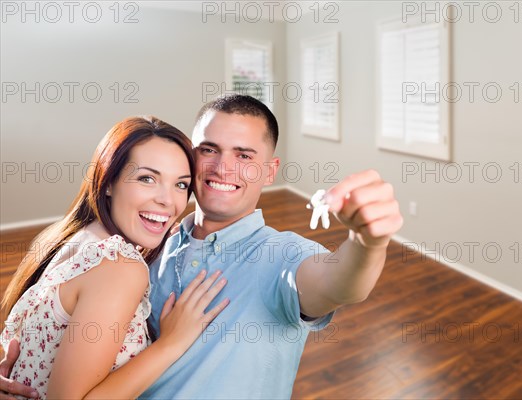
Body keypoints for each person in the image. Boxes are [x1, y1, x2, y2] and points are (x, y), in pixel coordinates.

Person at [1, 95, 402, 399]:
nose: (222, 168)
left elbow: (341, 282)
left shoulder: (281, 255)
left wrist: (367, 242)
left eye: (244, 155)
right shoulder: (148, 241)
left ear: (269, 170)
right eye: (209, 149)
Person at [0, 116, 229, 399]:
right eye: (147, 178)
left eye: (181, 185)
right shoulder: (119, 267)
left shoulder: (76, 237)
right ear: (108, 182)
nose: (168, 201)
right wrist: (171, 343)